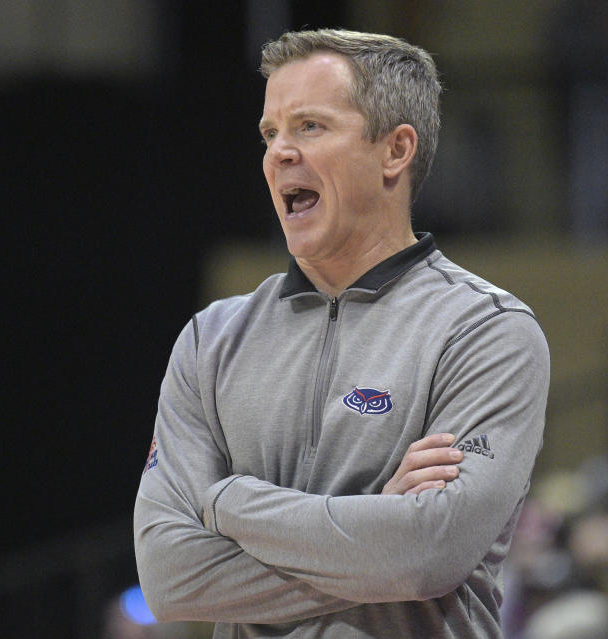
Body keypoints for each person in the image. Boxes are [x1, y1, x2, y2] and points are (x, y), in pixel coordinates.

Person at [133, 29, 550, 638]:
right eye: (270, 133)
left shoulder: (487, 333)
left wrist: (226, 503)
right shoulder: (210, 338)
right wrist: (376, 526)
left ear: (395, 150)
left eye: (309, 127)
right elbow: (171, 577)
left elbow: (425, 556)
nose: (279, 153)